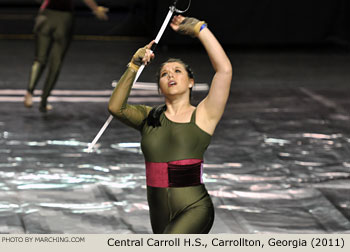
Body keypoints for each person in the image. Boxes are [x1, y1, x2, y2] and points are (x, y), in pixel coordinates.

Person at [108, 15, 232, 234]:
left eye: (177, 71)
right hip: (158, 213)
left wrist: (200, 29)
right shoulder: (149, 117)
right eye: (164, 74)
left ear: (191, 82)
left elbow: (224, 71)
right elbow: (116, 108)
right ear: (159, 87)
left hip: (195, 208)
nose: (170, 75)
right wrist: (134, 65)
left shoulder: (204, 114)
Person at [23, 0, 109, 112]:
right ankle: (43, 102)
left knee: (40, 59)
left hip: (46, 16)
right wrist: (95, 8)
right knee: (56, 63)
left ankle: (29, 92)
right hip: (64, 19)